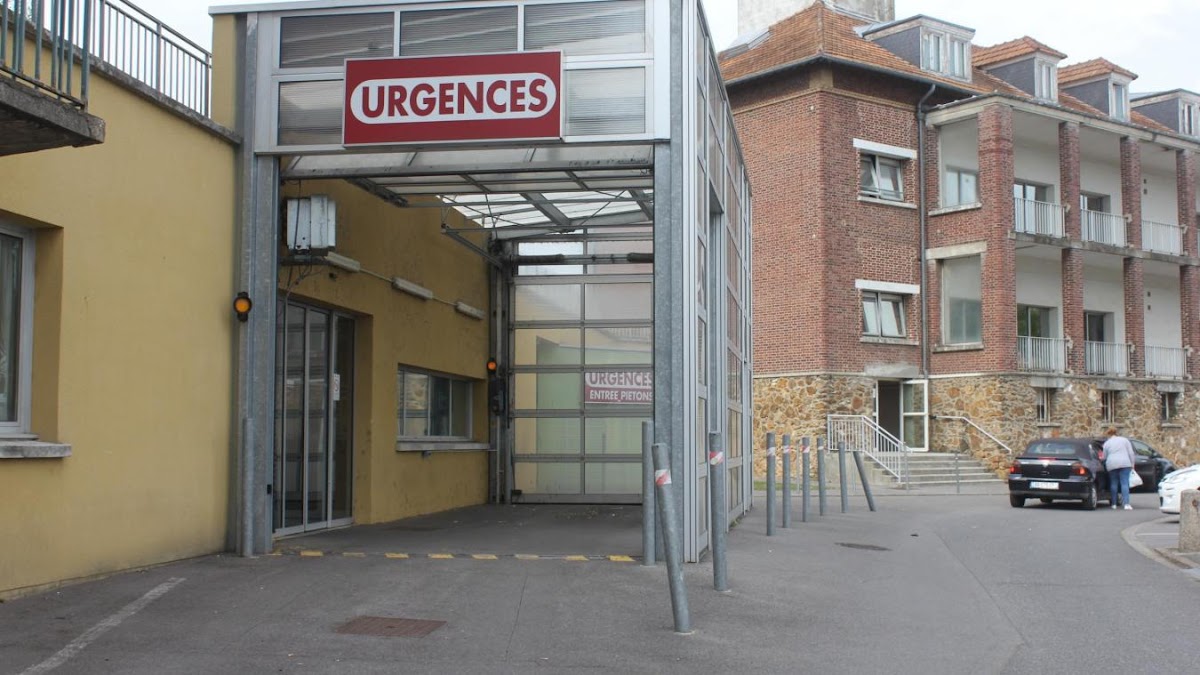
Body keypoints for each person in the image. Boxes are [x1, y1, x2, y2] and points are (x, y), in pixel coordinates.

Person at [1102, 427, 1136, 510]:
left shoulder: (1107, 443)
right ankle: (1126, 504)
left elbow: (1104, 457)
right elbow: (1131, 453)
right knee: (1124, 483)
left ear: (1108, 434)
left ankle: (1114, 504)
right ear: (1116, 433)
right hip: (1125, 463)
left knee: (1114, 483)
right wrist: (1132, 464)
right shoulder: (1124, 440)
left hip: (1112, 463)